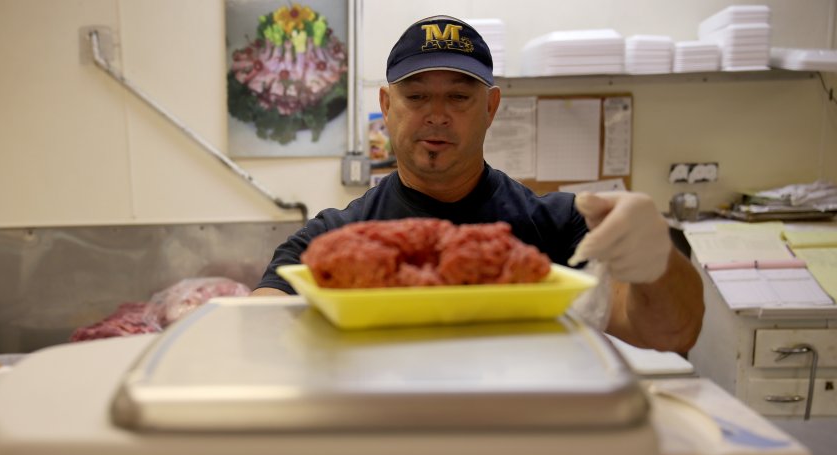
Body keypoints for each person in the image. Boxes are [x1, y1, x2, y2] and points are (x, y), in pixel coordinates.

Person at [252, 15, 704, 354]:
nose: (437, 114)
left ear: (490, 108)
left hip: (524, 452)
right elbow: (262, 325)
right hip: (388, 447)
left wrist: (659, 262)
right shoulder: (333, 242)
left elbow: (670, 334)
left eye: (459, 96)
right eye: (417, 96)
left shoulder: (559, 226)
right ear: (387, 107)